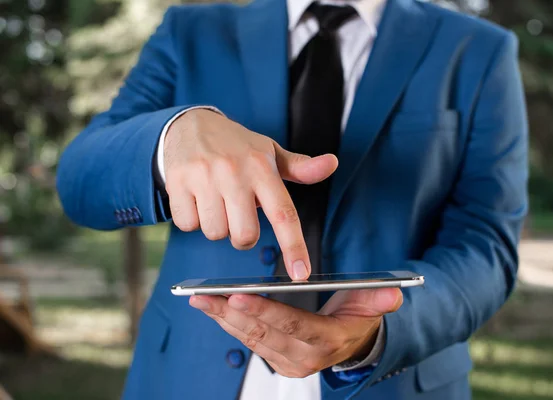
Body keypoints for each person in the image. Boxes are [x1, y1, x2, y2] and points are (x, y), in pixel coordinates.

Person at [56, 0, 528, 399]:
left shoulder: (478, 50)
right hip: (189, 372)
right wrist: (169, 140)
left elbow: (487, 243)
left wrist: (383, 329)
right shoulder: (191, 32)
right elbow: (79, 183)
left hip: (389, 377)